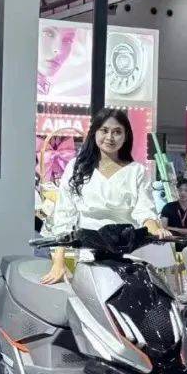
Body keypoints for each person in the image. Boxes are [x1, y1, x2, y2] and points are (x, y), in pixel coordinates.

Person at [41, 108, 168, 286]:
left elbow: (145, 210)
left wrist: (156, 230)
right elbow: (64, 216)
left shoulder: (137, 171)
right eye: (105, 130)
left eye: (117, 132)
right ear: (95, 132)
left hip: (128, 255)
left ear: (126, 136)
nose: (110, 137)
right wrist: (58, 262)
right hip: (89, 256)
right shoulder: (76, 168)